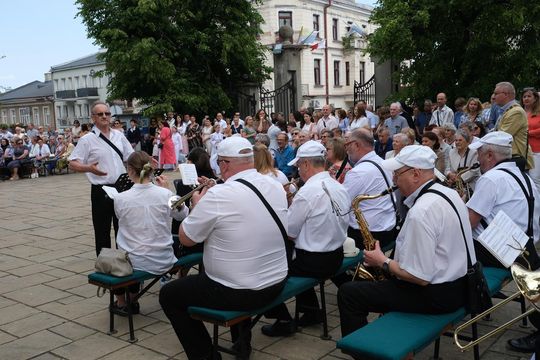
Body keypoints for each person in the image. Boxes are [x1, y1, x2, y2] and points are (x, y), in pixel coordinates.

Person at [159, 136, 288, 360]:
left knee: (169, 295)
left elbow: (186, 238)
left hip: (241, 291)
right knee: (238, 262)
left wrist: (198, 205)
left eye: (220, 164)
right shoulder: (274, 185)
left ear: (225, 164)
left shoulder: (220, 194)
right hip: (276, 281)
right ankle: (241, 345)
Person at [338, 145, 475, 337]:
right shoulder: (449, 194)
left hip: (438, 295)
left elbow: (419, 277)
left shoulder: (422, 211)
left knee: (349, 294)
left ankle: (364, 351)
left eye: (396, 174)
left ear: (416, 174)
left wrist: (382, 261)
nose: (393, 180)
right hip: (462, 285)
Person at [261, 141, 349, 337]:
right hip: (336, 254)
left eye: (299, 165)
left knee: (264, 269)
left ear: (307, 165)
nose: (298, 170)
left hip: (314, 260)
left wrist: (285, 204)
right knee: (293, 256)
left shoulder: (308, 191)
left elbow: (290, 232)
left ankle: (283, 320)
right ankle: (310, 312)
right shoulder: (338, 185)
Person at [465, 131, 540, 354]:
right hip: (524, 246)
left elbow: (468, 222)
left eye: (479, 153)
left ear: (489, 155)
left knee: (446, 251)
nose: (477, 158)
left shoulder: (491, 179)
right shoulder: (524, 176)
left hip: (500, 251)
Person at [112, 151, 186, 315]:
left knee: (119, 253)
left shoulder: (120, 198)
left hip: (134, 260)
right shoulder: (165, 194)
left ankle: (124, 301)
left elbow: (120, 218)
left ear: (129, 170)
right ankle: (131, 299)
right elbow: (183, 214)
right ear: (152, 169)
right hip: (163, 258)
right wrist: (169, 193)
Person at [69, 101, 134, 256]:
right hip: (101, 189)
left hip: (122, 187)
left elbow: (131, 156)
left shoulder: (119, 135)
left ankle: (126, 264)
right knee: (102, 231)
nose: (105, 116)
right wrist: (89, 168)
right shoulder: (87, 140)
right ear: (93, 118)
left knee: (124, 230)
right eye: (100, 114)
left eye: (107, 113)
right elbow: (72, 163)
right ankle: (105, 265)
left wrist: (145, 160)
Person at [343, 128, 396, 250]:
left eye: (347, 144)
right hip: (389, 229)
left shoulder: (358, 172)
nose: (346, 149)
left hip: (368, 236)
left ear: (356, 145)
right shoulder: (383, 162)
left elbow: (341, 207)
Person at [493, 81, 533, 170]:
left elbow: (502, 136)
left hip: (515, 160)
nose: (493, 96)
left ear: (506, 94)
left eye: (496, 93)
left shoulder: (516, 112)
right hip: (510, 159)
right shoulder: (508, 110)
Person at [446, 129, 480, 196]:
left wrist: (458, 179)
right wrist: (449, 174)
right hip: (454, 185)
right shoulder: (451, 152)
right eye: (456, 140)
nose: (457, 142)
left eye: (460, 140)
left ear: (467, 142)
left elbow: (475, 171)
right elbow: (447, 169)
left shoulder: (474, 153)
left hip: (470, 187)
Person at [522, 87, 540, 190]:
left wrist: (529, 133)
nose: (526, 98)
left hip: (536, 151)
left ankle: (537, 205)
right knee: (525, 179)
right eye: (524, 96)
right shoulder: (520, 112)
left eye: (529, 96)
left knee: (535, 179)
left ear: (535, 98)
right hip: (522, 151)